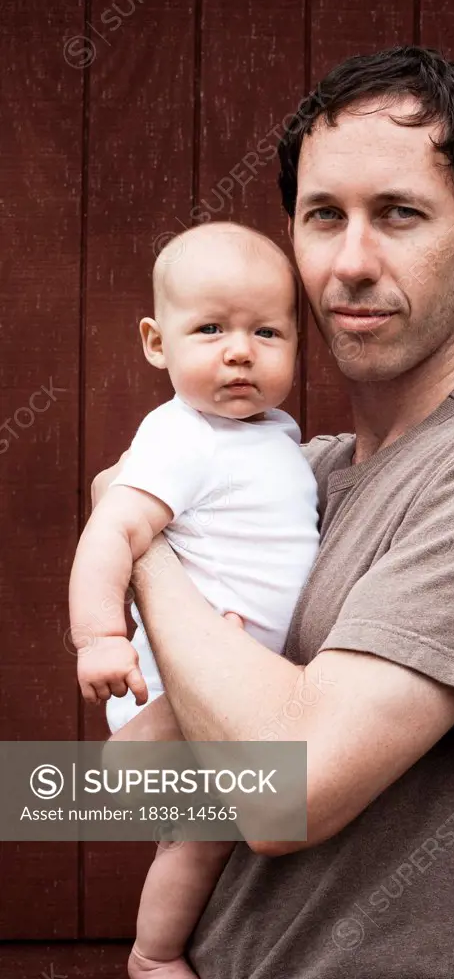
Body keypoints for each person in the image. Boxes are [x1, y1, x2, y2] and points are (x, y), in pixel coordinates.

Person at [92, 46, 454, 979]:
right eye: (323, 217)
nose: (350, 262)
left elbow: (285, 791)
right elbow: (125, 786)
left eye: (399, 215)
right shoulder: (295, 482)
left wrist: (133, 537)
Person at [70, 222, 320, 978]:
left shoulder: (274, 434)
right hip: (178, 684)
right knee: (200, 834)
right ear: (157, 342)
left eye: (266, 332)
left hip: (245, 683)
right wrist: (99, 638)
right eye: (210, 328)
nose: (239, 350)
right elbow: (111, 528)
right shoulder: (182, 437)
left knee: (219, 822)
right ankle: (153, 956)